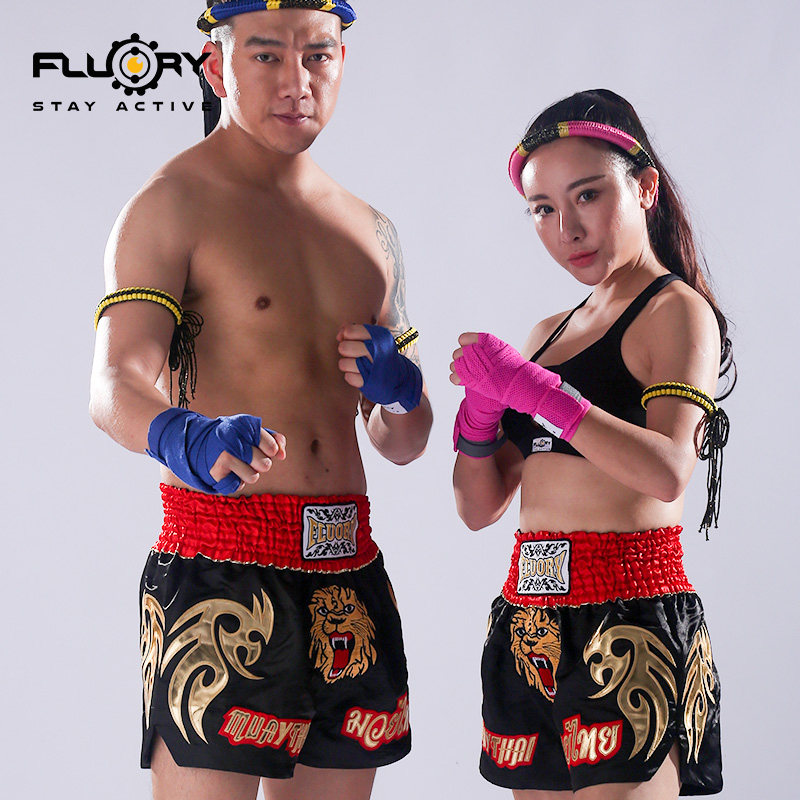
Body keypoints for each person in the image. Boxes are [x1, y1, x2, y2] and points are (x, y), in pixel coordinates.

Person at [89, 3, 432, 799]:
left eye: (318, 56)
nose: (297, 81)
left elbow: (404, 441)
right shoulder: (172, 203)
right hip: (222, 565)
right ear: (217, 68)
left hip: (347, 566)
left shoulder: (370, 230)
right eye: (267, 56)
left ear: (342, 61)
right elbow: (112, 386)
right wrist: (182, 435)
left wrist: (402, 393)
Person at [450, 89, 732, 799]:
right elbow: (479, 508)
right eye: (543, 209)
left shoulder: (674, 311)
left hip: (628, 615)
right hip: (530, 618)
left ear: (645, 187)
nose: (567, 228)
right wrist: (480, 416)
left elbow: (669, 471)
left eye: (587, 195)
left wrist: (539, 393)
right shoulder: (547, 332)